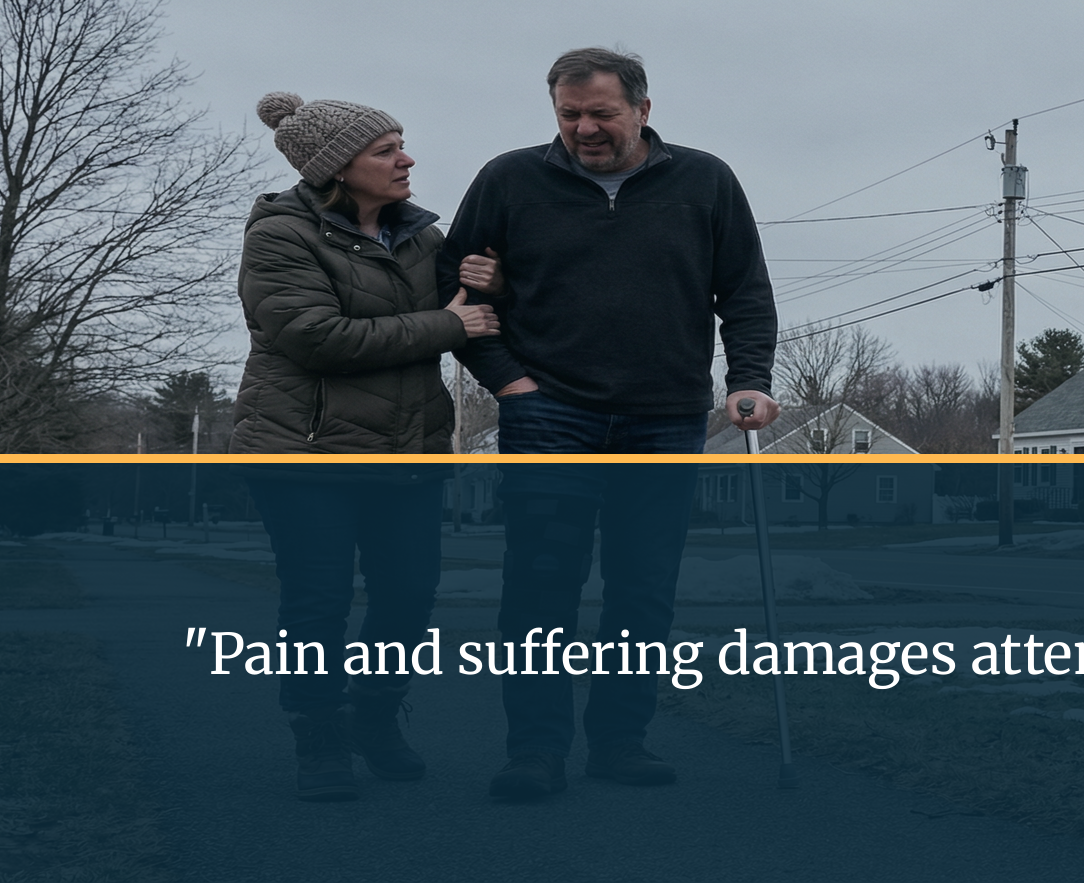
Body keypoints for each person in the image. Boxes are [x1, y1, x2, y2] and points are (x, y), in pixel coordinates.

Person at [446, 47, 778, 800]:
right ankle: (533, 751)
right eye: (569, 115)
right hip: (549, 412)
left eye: (602, 113)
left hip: (661, 415)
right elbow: (456, 291)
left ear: (643, 111)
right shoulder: (509, 178)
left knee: (641, 588)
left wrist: (748, 379)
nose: (584, 129)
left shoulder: (705, 180)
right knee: (539, 587)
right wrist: (512, 383)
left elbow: (746, 292)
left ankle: (620, 742)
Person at [232, 92, 499, 801]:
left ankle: (375, 716)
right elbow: (315, 338)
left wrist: (486, 289)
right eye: (385, 150)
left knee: (408, 596)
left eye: (401, 144)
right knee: (318, 601)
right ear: (337, 169)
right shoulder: (281, 234)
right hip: (304, 450)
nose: (406, 159)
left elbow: (475, 311)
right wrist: (449, 323)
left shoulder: (421, 238)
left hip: (406, 449)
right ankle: (319, 737)